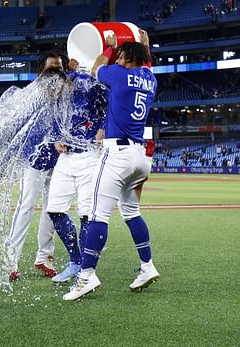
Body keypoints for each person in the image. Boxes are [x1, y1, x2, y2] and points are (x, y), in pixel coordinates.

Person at [63, 30, 160, 301]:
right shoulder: (151, 79)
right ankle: (147, 266)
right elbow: (144, 65)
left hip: (118, 154)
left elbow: (96, 69)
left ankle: (86, 276)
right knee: (131, 212)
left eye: (121, 58)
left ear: (127, 58)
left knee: (97, 214)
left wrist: (109, 48)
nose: (118, 61)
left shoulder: (118, 73)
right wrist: (144, 46)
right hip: (141, 157)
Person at [46, 57, 108, 283]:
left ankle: (85, 267)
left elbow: (109, 103)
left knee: (86, 214)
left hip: (90, 155)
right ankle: (75, 260)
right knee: (54, 210)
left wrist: (103, 127)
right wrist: (55, 140)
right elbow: (55, 118)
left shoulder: (90, 82)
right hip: (66, 157)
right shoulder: (58, 91)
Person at [6, 51, 67, 281]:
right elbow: (20, 130)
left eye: (59, 69)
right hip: (33, 159)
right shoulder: (29, 97)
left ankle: (44, 257)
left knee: (54, 208)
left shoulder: (64, 96)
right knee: (26, 207)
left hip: (57, 160)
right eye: (51, 69)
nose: (55, 73)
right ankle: (10, 260)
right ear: (40, 72)